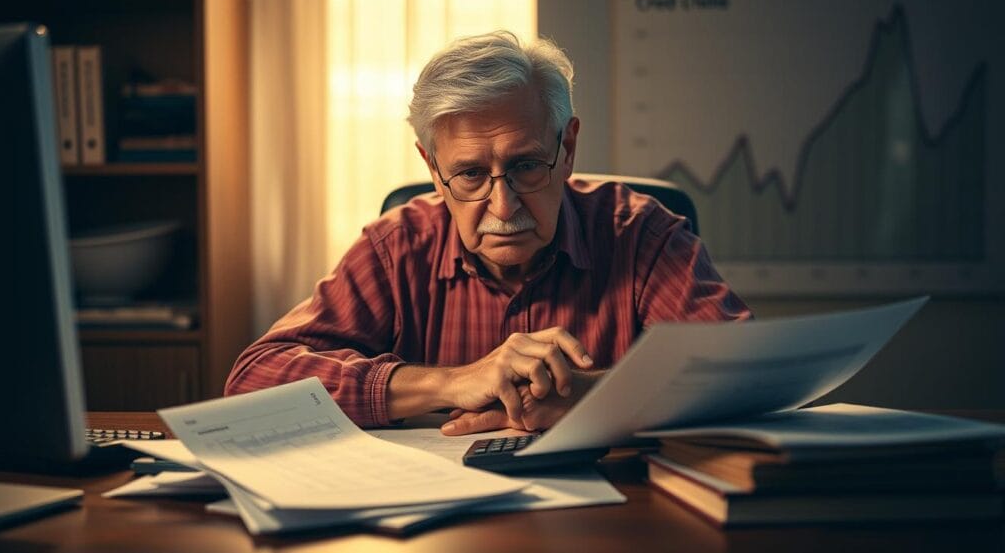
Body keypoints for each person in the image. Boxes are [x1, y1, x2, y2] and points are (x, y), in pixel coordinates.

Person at [225, 31, 751, 436]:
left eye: (526, 166)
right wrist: (450, 382)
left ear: (567, 149)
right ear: (433, 169)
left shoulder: (643, 235)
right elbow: (253, 380)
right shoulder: (396, 248)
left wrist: (594, 394)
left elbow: (750, 374)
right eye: (471, 174)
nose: (503, 207)